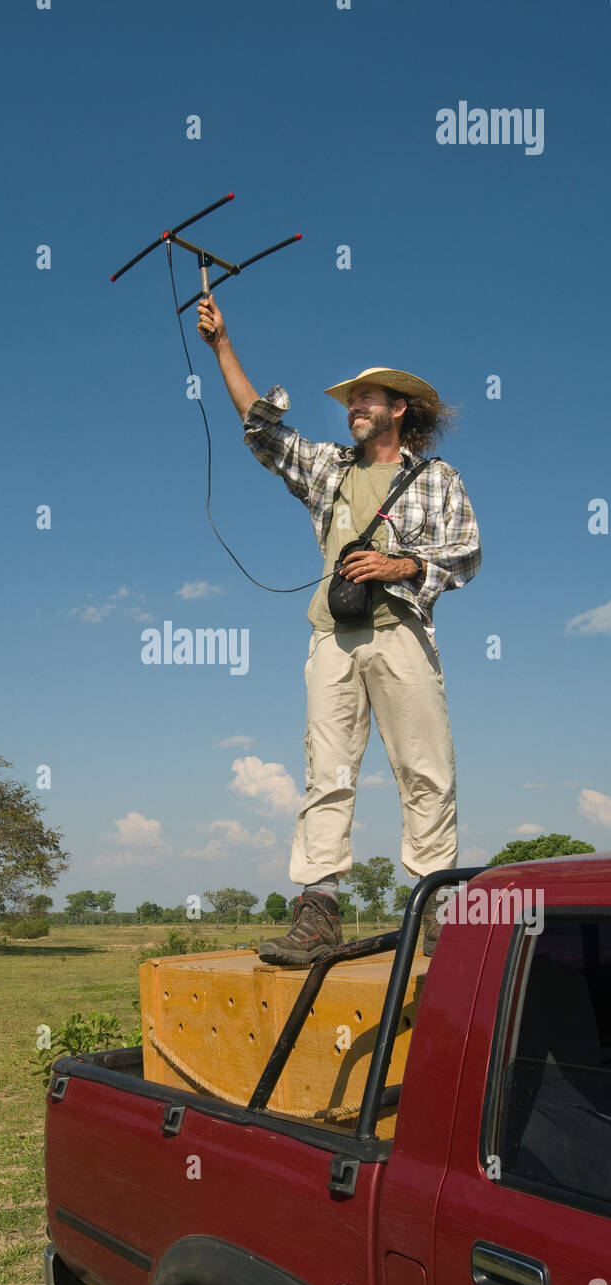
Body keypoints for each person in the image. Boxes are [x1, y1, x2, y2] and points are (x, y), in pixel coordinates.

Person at [197, 294, 482, 965]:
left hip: (403, 633)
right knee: (326, 774)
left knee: (425, 770)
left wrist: (398, 562)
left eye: (365, 400)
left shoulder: (436, 479)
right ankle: (318, 908)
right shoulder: (328, 467)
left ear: (397, 409)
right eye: (349, 402)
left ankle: (437, 905)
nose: (352, 408)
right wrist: (221, 347)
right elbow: (261, 429)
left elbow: (464, 554)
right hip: (332, 636)